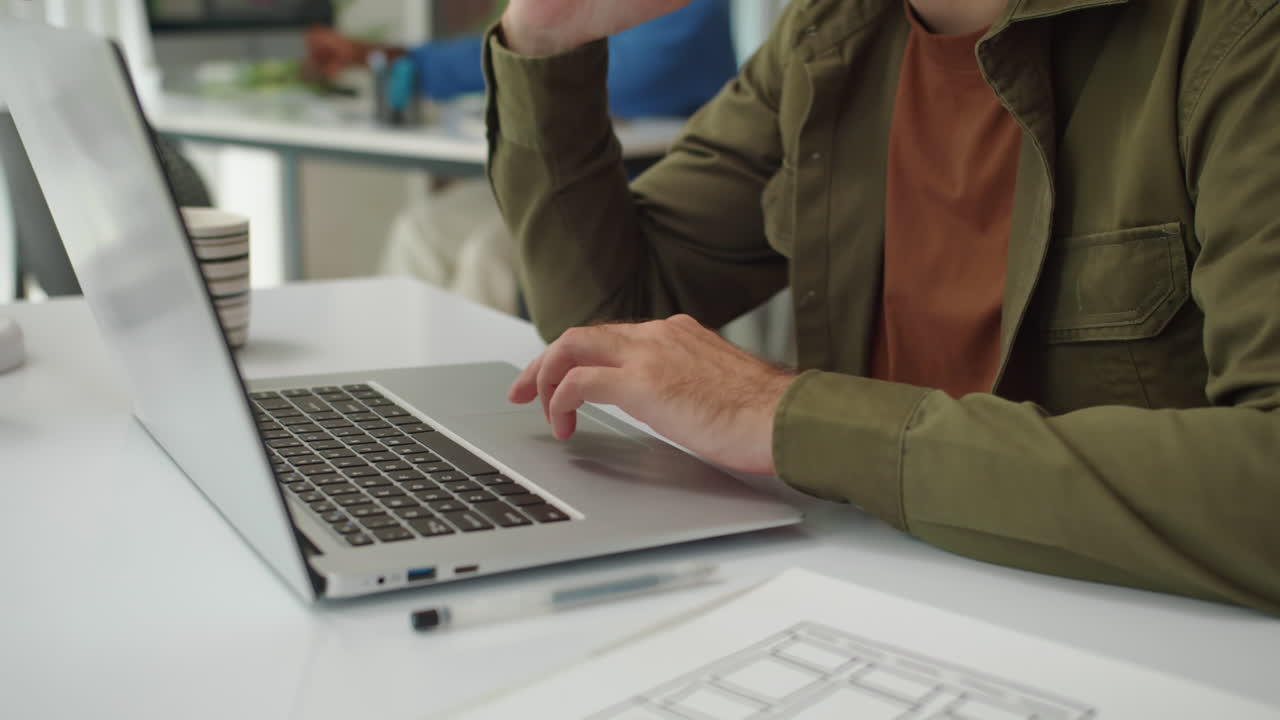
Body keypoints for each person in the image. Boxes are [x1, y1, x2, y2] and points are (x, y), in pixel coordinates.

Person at [483, 0, 1280, 615]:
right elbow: (610, 322)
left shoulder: (1240, 37)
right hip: (870, 599)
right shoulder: (832, 32)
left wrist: (785, 414)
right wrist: (550, 34)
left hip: (1130, 641)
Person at [304, 1, 737, 315]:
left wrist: (539, 43)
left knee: (488, 254)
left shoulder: (689, 14)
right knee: (421, 229)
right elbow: (524, 44)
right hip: (560, 180)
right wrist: (406, 59)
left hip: (646, 185)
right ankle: (395, 397)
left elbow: (641, 74)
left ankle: (467, 412)